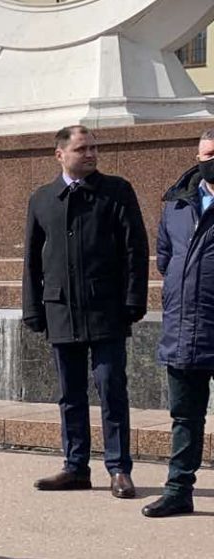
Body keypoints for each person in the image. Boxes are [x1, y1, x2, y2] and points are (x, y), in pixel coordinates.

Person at [23, 125, 148, 498]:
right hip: (61, 310)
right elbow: (31, 259)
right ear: (60, 154)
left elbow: (135, 250)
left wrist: (133, 301)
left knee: (111, 388)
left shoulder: (117, 191)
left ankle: (119, 469)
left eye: (94, 147)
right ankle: (75, 467)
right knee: (70, 393)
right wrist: (33, 308)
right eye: (82, 149)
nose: (91, 154)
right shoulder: (43, 198)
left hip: (106, 308)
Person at [144, 128, 214, 517]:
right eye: (205, 154)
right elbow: (165, 259)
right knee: (185, 417)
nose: (208, 160)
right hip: (185, 329)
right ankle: (178, 490)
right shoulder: (177, 204)